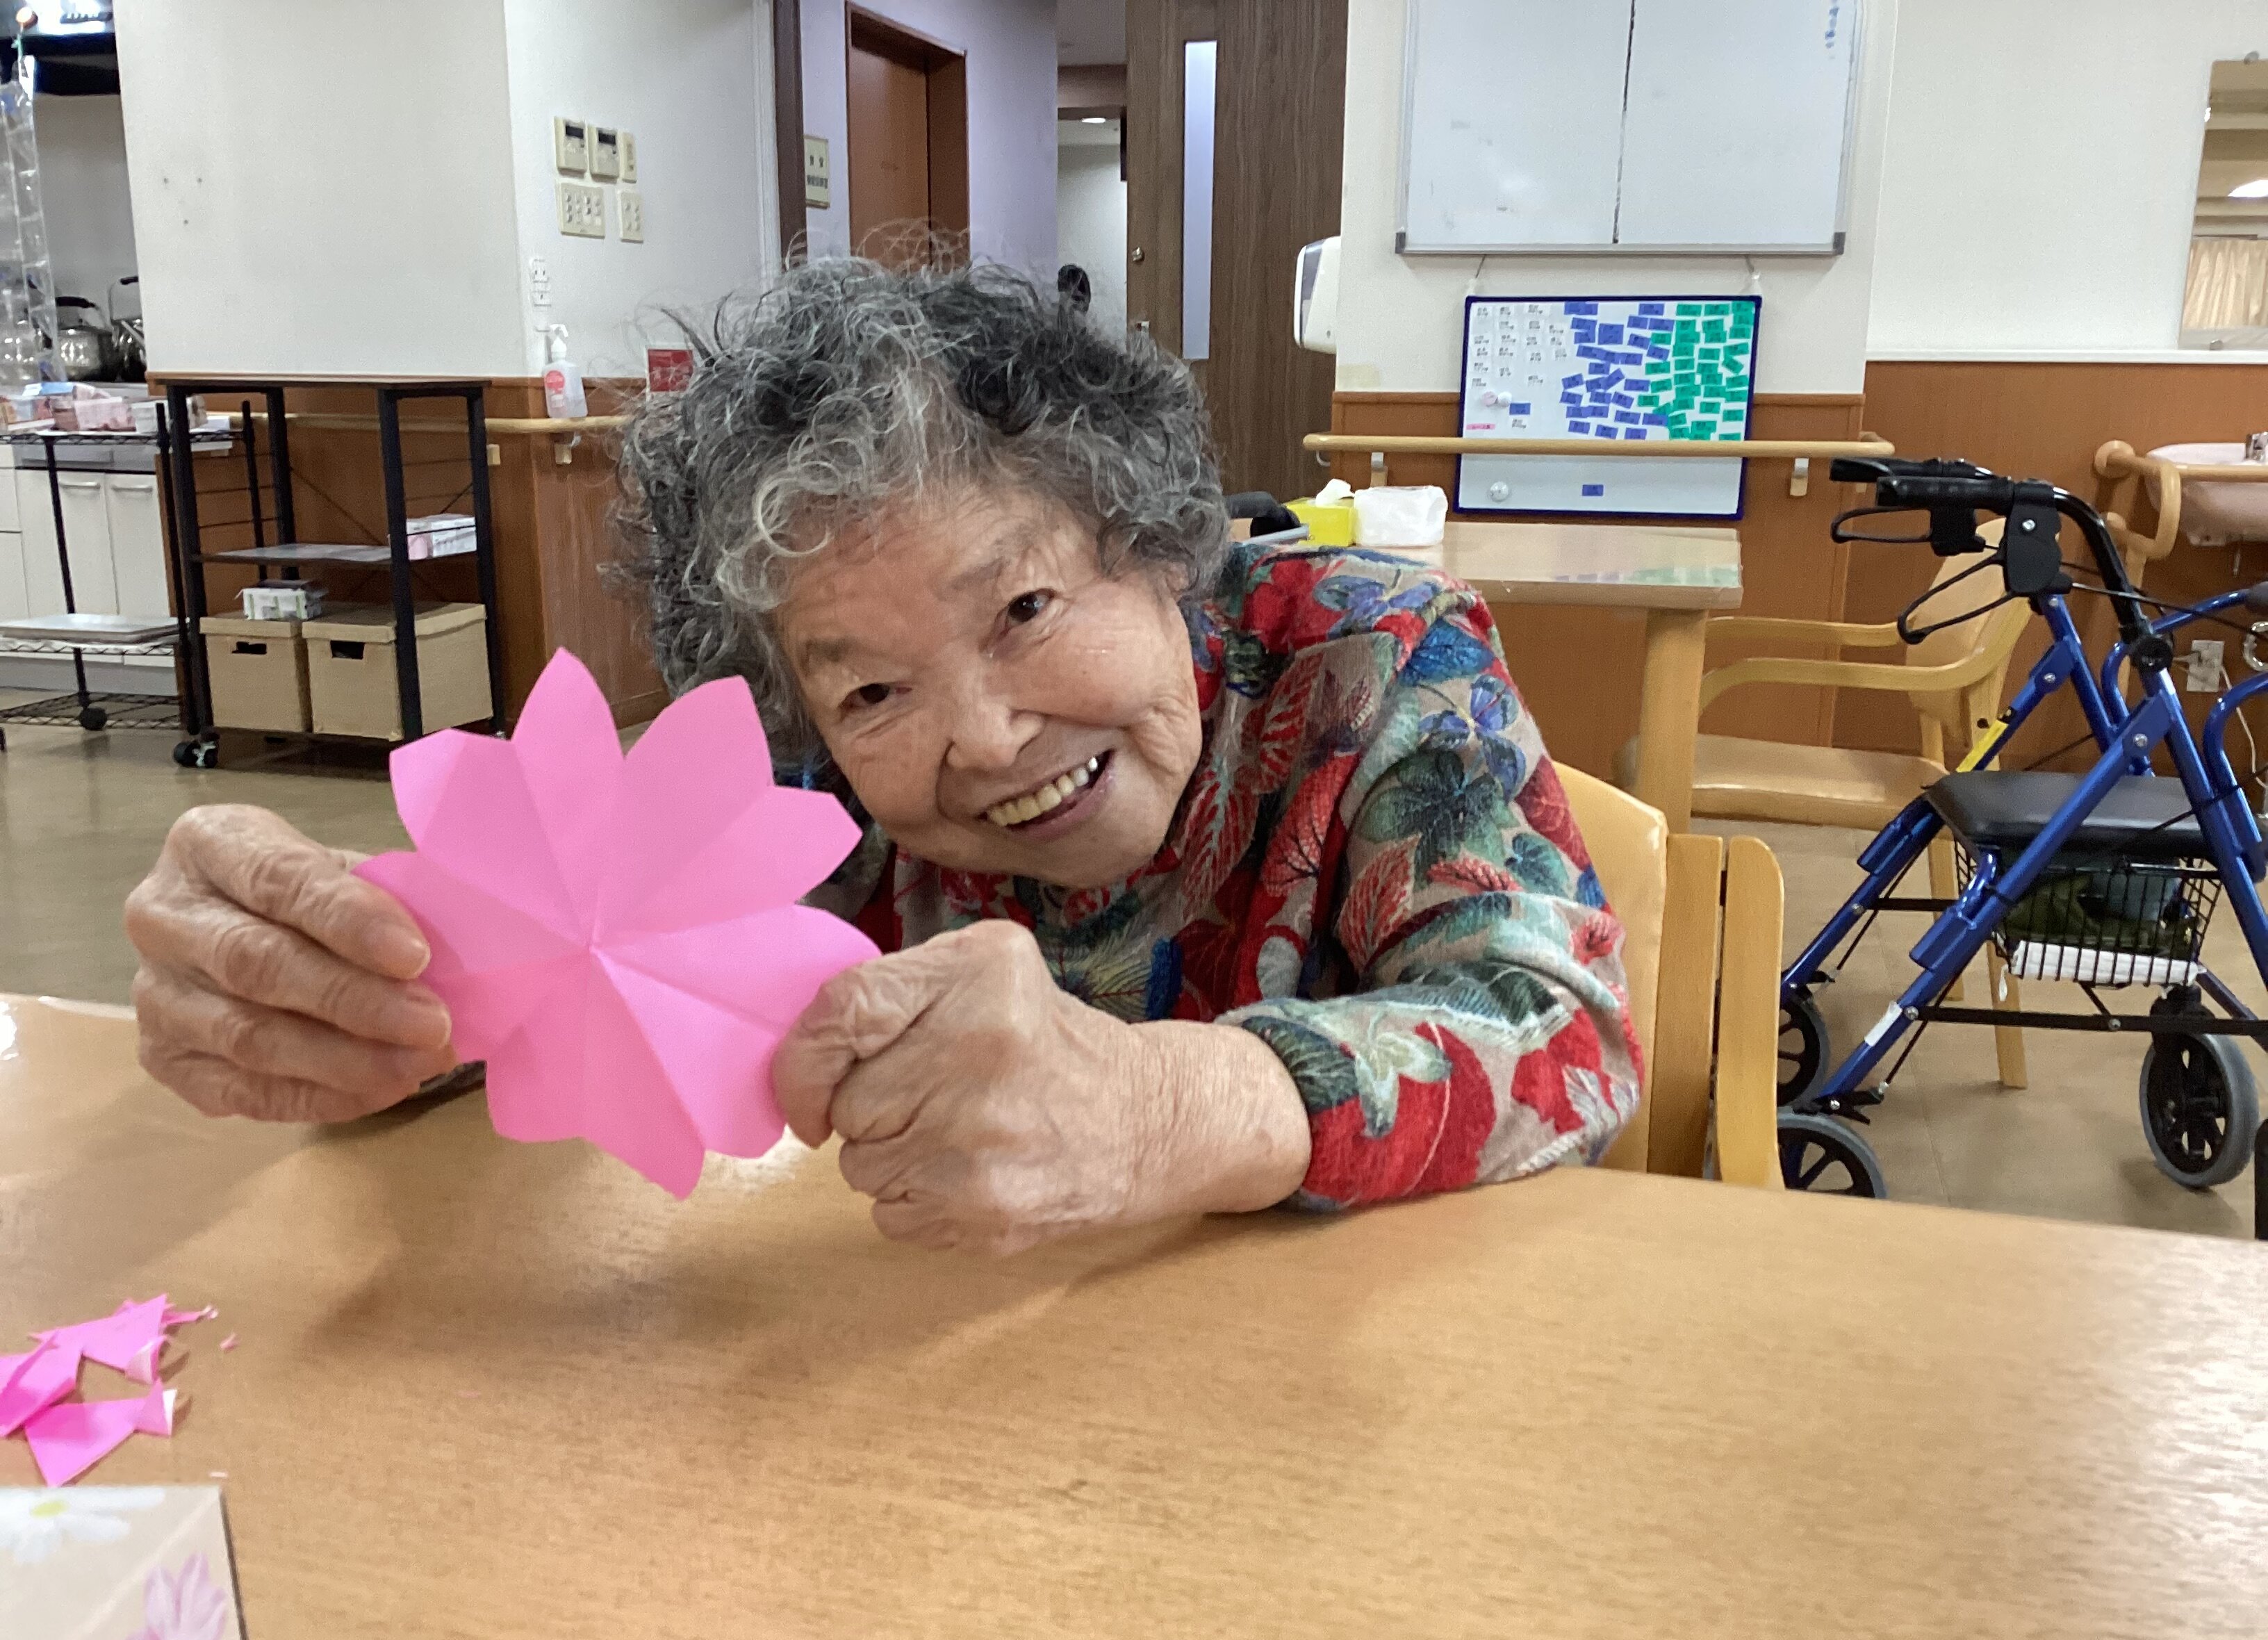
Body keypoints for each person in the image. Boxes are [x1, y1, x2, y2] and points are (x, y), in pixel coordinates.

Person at [124, 260, 1642, 1254]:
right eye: (869, 693)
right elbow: (580, 981)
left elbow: (1564, 1035)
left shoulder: (1376, 658)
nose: (981, 739)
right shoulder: (801, 798)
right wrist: (360, 993)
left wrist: (1162, 1108)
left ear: (1162, 546)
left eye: (1025, 609)